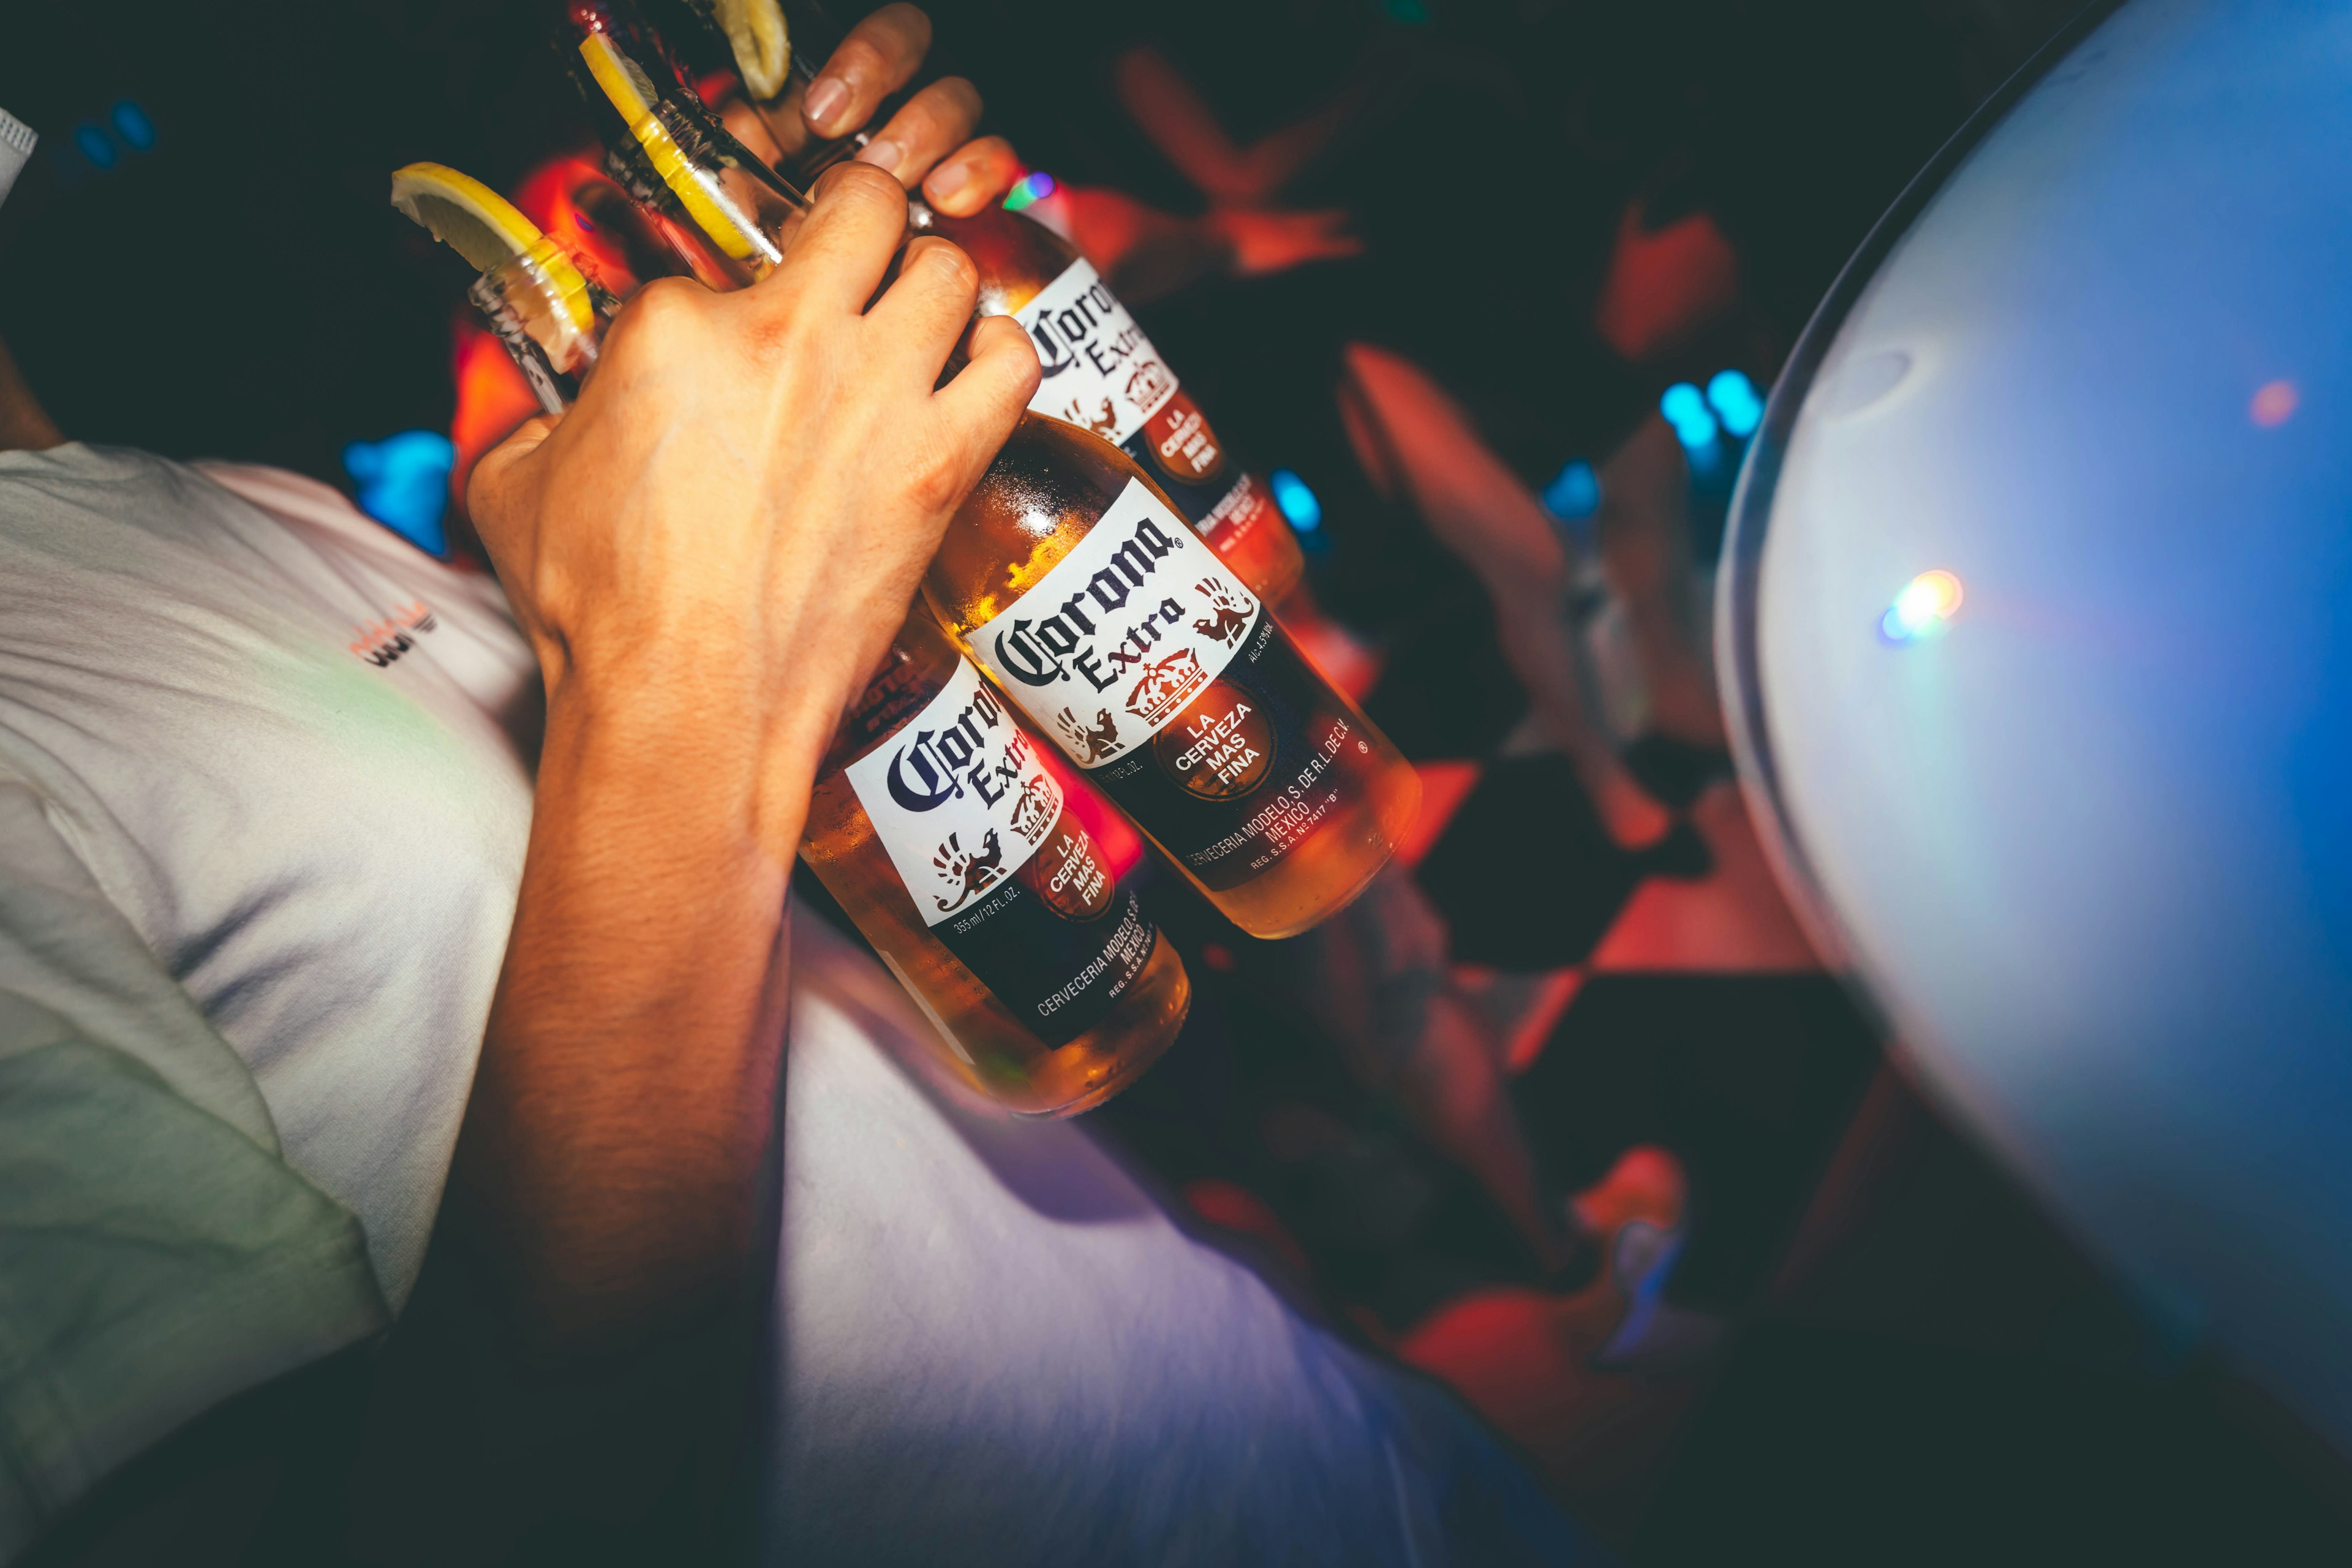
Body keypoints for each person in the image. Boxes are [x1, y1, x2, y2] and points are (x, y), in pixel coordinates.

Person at [0, 12, 1613, 1564]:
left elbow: (752, 1025)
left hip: (1293, 1423)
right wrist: (690, 631)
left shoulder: (193, 505)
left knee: (1319, 963)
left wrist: (923, 354)